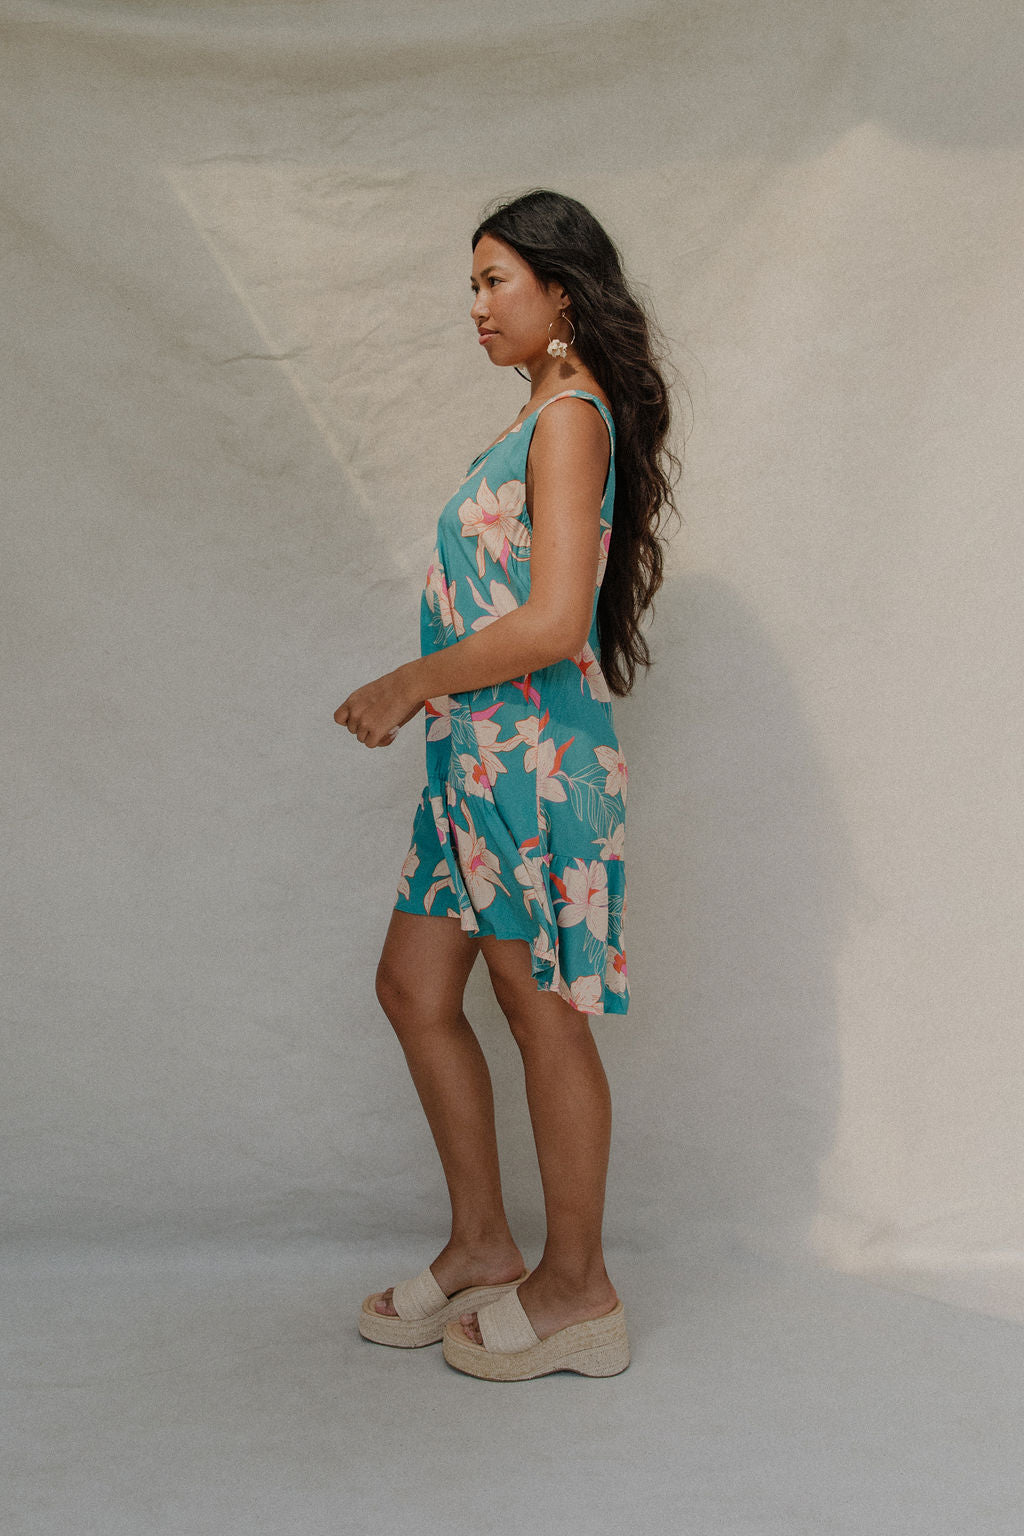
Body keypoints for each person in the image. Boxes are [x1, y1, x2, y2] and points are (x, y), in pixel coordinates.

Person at [334, 189, 679, 1381]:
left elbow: (548, 620)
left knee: (541, 1015)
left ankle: (580, 1290)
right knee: (412, 985)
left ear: (561, 296)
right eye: (471, 284)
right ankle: (484, 1244)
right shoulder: (531, 417)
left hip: (533, 763)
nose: (474, 306)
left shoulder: (570, 417)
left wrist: (408, 680)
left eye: (495, 281)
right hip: (471, 768)